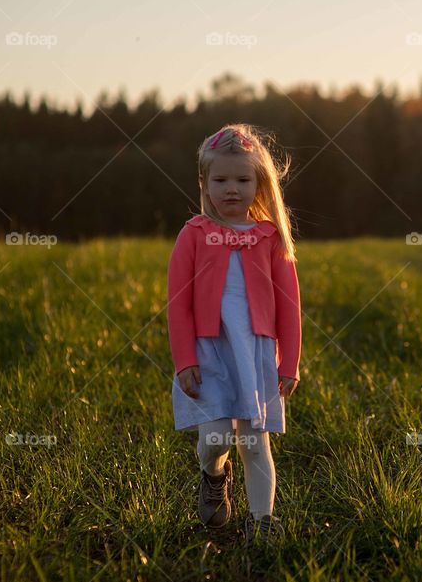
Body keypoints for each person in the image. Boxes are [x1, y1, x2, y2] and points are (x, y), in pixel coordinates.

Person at [168, 124, 301, 544]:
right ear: (204, 183)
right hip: (209, 352)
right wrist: (184, 361)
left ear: (259, 183)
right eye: (221, 180)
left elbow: (290, 306)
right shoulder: (192, 235)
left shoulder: (270, 238)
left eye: (242, 180)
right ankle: (212, 472)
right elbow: (179, 304)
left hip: (257, 351)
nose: (231, 189)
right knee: (217, 435)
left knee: (255, 441)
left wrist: (290, 362)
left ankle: (262, 521)